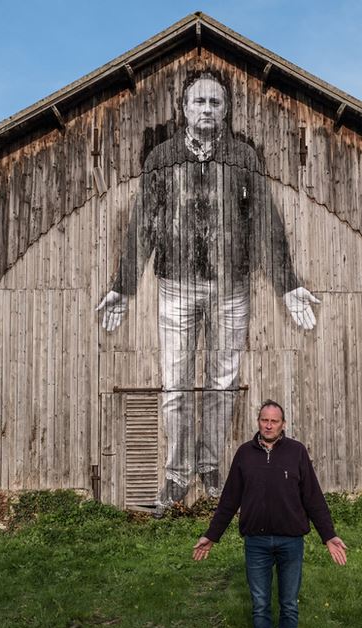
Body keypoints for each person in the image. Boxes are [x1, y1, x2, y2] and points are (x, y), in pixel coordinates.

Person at [97, 70, 321, 513]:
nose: (206, 110)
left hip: (231, 288)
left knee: (221, 383)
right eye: (198, 102)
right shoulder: (162, 158)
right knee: (176, 384)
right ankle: (178, 476)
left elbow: (264, 224)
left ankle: (211, 468)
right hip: (175, 287)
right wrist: (123, 287)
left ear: (225, 110)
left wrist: (288, 284)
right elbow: (142, 223)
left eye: (214, 103)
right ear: (183, 109)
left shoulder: (242, 158)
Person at [192, 400, 347, 628]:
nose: (268, 425)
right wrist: (212, 535)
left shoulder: (296, 452)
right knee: (261, 607)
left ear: (283, 424)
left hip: (291, 542)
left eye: (274, 421)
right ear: (258, 421)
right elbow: (229, 500)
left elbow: (313, 498)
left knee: (289, 606)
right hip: (257, 544)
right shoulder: (244, 455)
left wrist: (328, 535)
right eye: (264, 419)